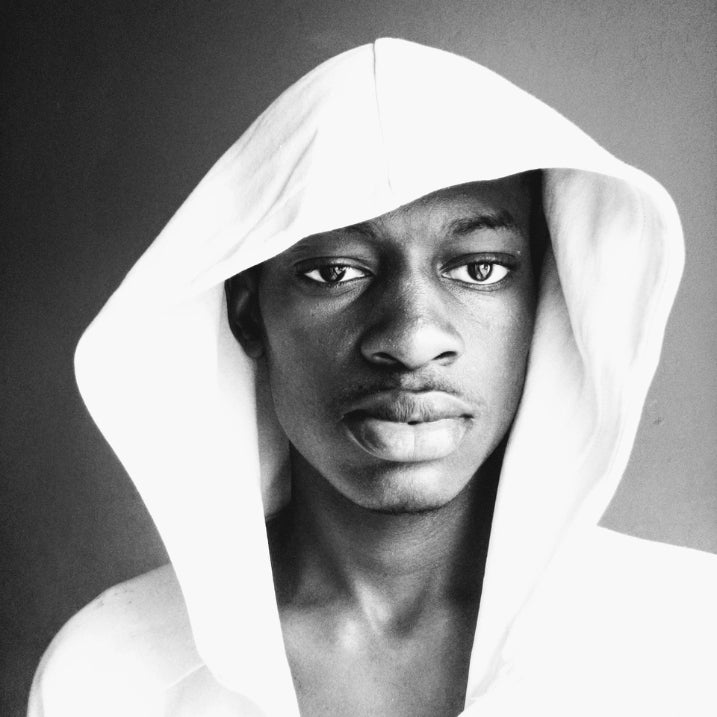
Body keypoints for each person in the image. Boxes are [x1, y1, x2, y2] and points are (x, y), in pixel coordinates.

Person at [28, 38, 717, 717]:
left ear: (545, 300)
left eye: (478, 268)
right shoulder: (110, 676)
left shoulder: (691, 643)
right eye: (335, 271)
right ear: (248, 312)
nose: (412, 340)